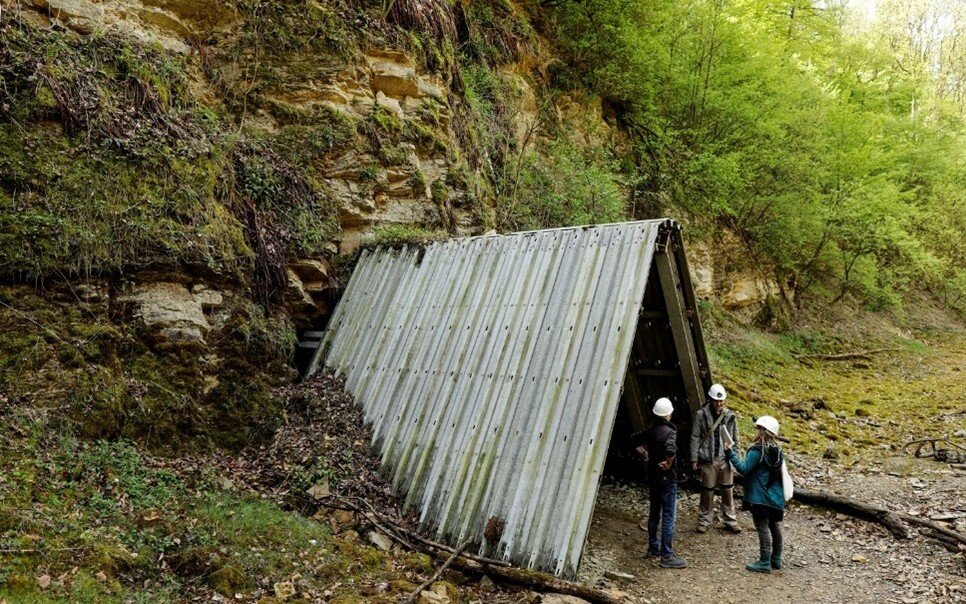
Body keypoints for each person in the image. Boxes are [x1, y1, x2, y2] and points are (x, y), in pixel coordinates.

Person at [725, 415, 786, 573]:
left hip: (760, 497)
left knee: (762, 527)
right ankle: (776, 558)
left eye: (758, 428)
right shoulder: (778, 451)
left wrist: (730, 453)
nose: (755, 430)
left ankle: (764, 561)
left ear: (762, 431)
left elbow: (743, 468)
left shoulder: (757, 450)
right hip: (776, 497)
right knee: (774, 525)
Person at [635, 397, 687, 569]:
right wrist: (669, 462)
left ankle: (653, 547)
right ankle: (667, 555)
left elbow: (634, 440)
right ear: (669, 414)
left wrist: (644, 453)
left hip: (653, 478)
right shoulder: (669, 432)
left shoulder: (650, 430)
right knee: (668, 516)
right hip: (667, 480)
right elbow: (671, 450)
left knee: (654, 513)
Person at [690, 383, 741, 533]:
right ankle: (704, 520)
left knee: (727, 491)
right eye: (715, 400)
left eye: (721, 401)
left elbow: (735, 439)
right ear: (710, 400)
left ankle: (730, 520)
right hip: (708, 460)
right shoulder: (701, 415)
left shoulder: (730, 416)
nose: (718, 403)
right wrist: (694, 458)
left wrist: (736, 460)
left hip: (726, 459)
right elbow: (695, 437)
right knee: (707, 491)